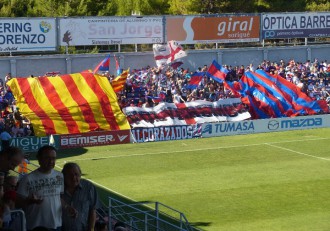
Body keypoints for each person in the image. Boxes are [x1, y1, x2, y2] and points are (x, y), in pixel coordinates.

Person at [16, 145, 64, 231]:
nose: (51, 161)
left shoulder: (59, 176)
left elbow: (59, 198)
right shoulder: (27, 179)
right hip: (36, 226)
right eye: (47, 158)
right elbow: (18, 203)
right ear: (39, 159)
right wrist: (30, 201)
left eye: (53, 158)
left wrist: (67, 207)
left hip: (57, 225)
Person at [61, 162, 98, 231]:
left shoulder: (89, 187)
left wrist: (91, 229)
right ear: (63, 176)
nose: (74, 178)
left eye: (76, 174)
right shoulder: (57, 189)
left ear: (80, 174)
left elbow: (93, 210)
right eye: (70, 175)